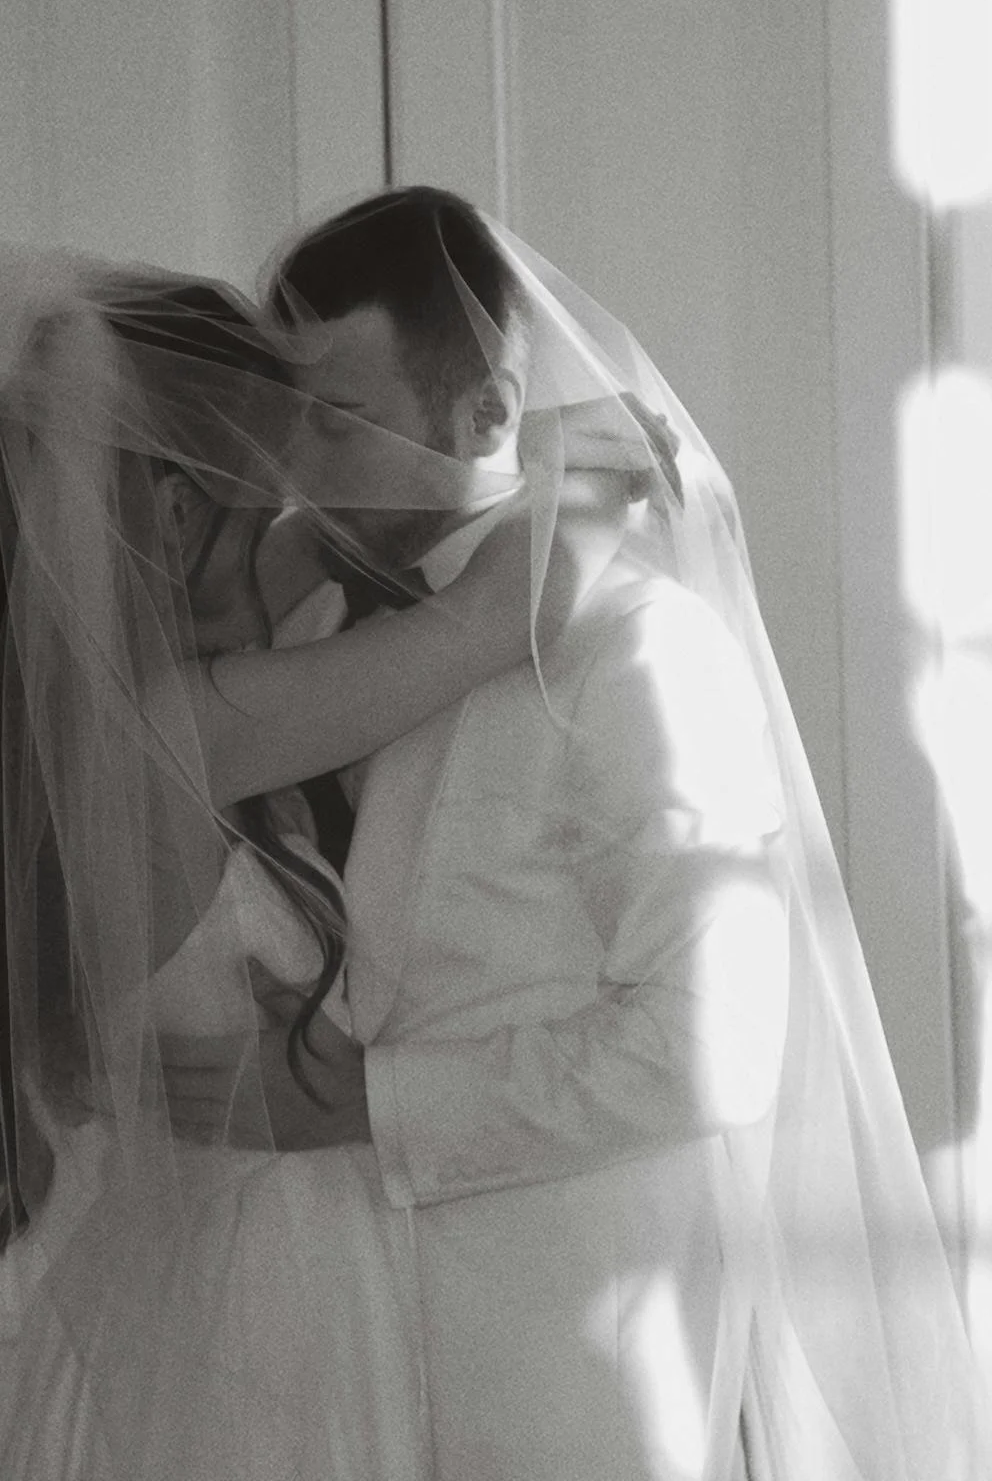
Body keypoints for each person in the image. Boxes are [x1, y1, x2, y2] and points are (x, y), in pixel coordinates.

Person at [161, 187, 992, 1480]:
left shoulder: (641, 653)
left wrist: (358, 1105)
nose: (297, 467)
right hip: (353, 1363)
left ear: (486, 412)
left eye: (340, 419)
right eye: (293, 419)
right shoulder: (321, 641)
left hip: (585, 1369)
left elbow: (709, 1045)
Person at [0, 243, 644, 1478]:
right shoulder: (184, 727)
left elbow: (292, 567)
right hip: (272, 1301)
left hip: (208, 1264)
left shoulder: (96, 714)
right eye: (272, 456)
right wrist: (597, 472)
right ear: (182, 504)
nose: (305, 491)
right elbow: (493, 619)